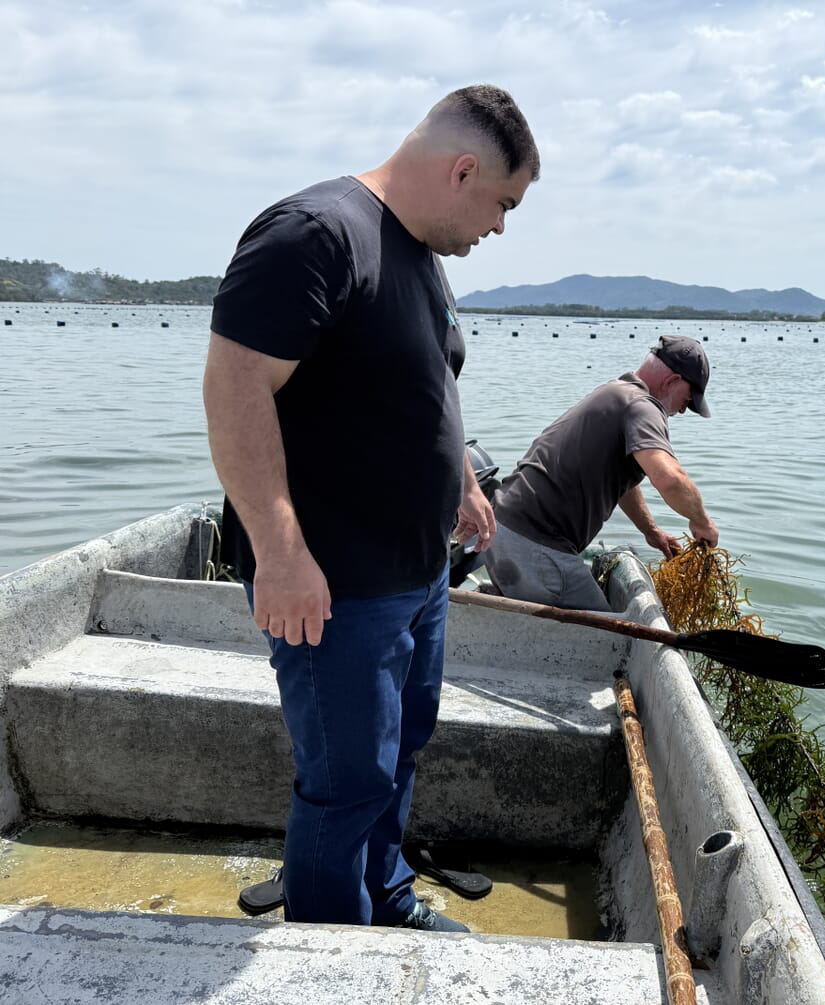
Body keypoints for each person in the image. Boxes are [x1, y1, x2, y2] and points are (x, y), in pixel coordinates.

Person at [202, 84, 539, 931]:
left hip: (417, 575)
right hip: (336, 583)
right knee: (346, 779)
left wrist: (458, 472)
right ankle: (330, 954)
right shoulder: (315, 234)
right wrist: (279, 553)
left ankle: (385, 899)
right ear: (463, 170)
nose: (500, 226)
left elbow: (406, 381)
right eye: (503, 202)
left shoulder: (419, 253)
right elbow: (235, 386)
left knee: (400, 752)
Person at [484, 335, 719, 610]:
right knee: (609, 639)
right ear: (672, 380)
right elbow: (669, 479)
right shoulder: (643, 406)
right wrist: (702, 522)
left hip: (502, 529)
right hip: (536, 544)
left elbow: (623, 484)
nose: (683, 410)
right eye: (688, 400)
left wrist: (651, 531)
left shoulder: (616, 393)